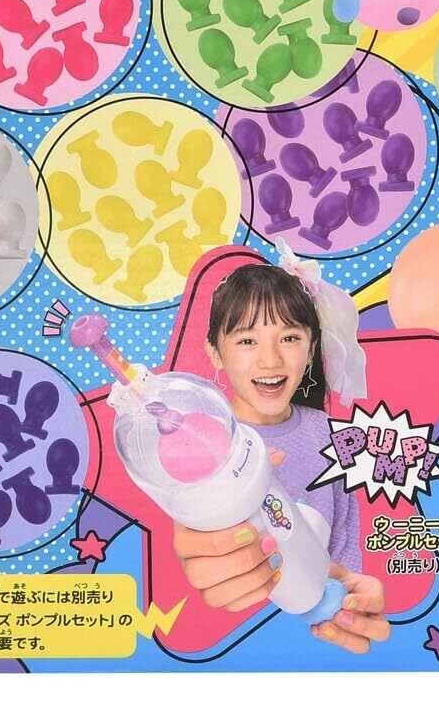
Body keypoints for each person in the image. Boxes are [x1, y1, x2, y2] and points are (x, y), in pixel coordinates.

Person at [174, 242, 390, 655]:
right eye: (247, 341)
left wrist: (349, 598)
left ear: (311, 350)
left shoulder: (327, 432)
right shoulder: (206, 442)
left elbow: (345, 531)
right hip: (231, 639)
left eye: (289, 337)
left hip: (317, 629)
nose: (270, 360)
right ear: (215, 352)